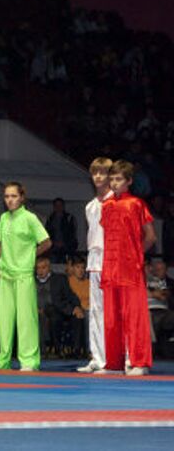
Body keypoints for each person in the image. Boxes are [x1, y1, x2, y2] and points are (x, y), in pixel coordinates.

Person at [100, 160, 156, 376]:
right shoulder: (106, 205)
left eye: (119, 179)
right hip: (110, 267)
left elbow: (151, 237)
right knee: (112, 318)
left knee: (135, 316)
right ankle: (114, 363)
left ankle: (140, 361)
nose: (114, 183)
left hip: (130, 269)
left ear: (129, 181)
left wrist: (136, 256)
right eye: (112, 179)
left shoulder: (136, 204)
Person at [0, 182, 51, 372]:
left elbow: (47, 242)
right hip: (5, 274)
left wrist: (30, 257)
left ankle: (29, 361)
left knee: (26, 320)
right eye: (7, 196)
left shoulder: (30, 218)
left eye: (14, 196)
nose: (10, 200)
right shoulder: (3, 218)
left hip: (23, 274)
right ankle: (3, 360)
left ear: (22, 197)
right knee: (5, 320)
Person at [77, 157, 114, 373]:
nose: (98, 177)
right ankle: (97, 357)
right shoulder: (90, 206)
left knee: (112, 312)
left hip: (112, 261)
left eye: (102, 172)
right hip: (94, 261)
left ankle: (115, 358)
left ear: (110, 176)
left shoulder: (116, 203)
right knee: (95, 311)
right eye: (95, 173)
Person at [45, 198, 78, 263]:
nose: (58, 207)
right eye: (56, 205)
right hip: (53, 249)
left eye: (60, 205)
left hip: (67, 249)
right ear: (54, 207)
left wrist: (65, 244)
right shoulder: (50, 219)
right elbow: (47, 234)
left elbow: (72, 234)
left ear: (63, 206)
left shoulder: (69, 218)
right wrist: (53, 244)